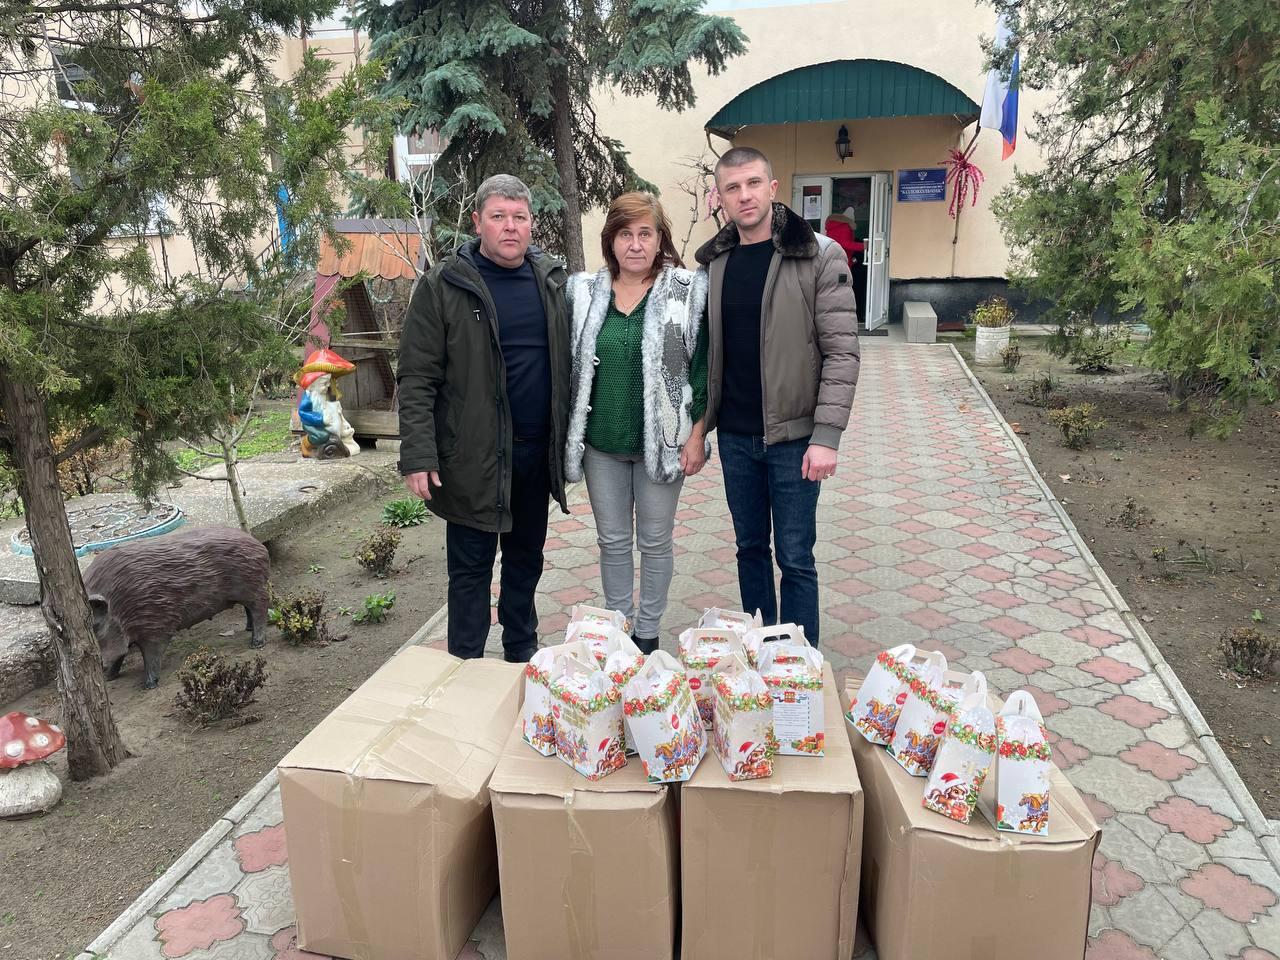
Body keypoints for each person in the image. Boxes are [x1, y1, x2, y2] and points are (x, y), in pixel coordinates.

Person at [397, 174, 571, 662]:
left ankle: (521, 655)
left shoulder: (551, 282)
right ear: (477, 222)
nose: (510, 227)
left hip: (535, 458)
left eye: (519, 217)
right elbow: (416, 377)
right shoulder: (443, 286)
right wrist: (418, 454)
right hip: (471, 458)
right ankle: (464, 665)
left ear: (531, 223)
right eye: (498, 217)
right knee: (470, 571)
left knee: (525, 562)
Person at [694, 147, 860, 648]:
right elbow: (704, 354)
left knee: (795, 558)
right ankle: (760, 654)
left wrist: (826, 437)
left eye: (753, 184)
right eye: (732, 188)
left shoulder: (817, 254)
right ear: (720, 198)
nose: (744, 195)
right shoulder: (715, 264)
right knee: (749, 550)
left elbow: (842, 352)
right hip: (736, 438)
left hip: (795, 439)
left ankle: (799, 666)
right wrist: (699, 428)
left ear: (772, 187)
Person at [565, 192, 709, 654]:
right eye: (625, 234)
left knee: (655, 542)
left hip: (664, 443)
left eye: (645, 233)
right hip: (601, 446)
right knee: (612, 541)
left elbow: (702, 368)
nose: (635, 244)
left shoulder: (686, 292)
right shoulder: (583, 293)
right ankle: (617, 628)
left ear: (660, 238)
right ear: (611, 240)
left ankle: (646, 634)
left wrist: (698, 435)